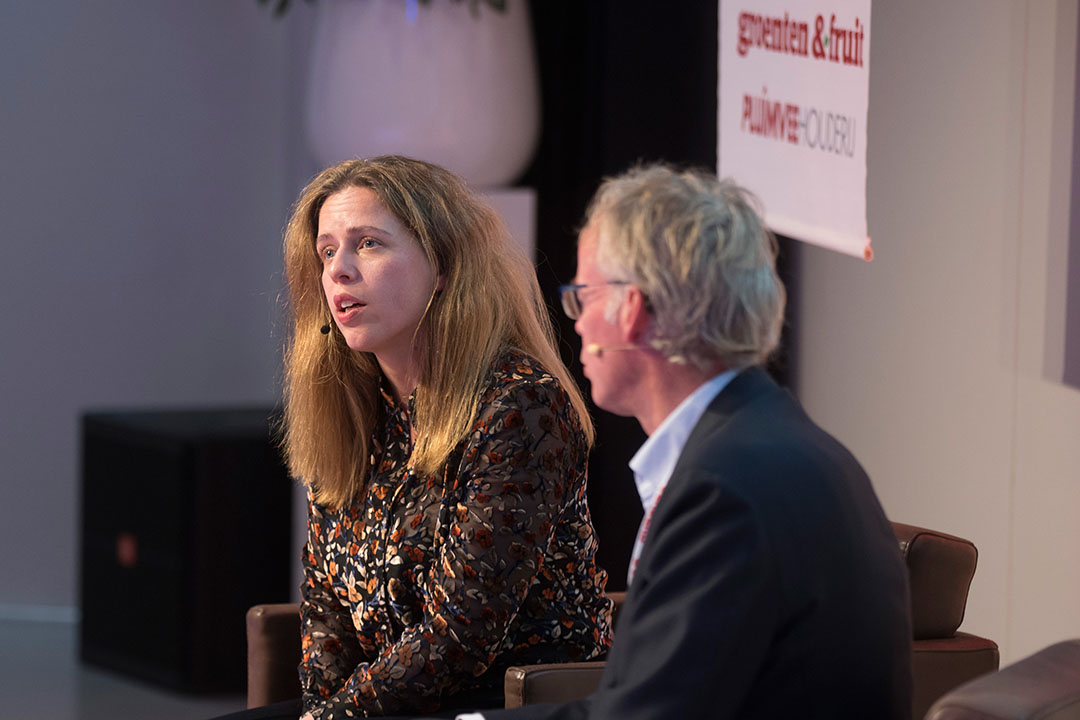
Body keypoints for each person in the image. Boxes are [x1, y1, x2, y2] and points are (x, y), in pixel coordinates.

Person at [471, 165, 913, 719]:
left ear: (630, 309)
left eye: (582, 297)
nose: (577, 324)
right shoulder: (771, 443)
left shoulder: (725, 490)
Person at [223, 156, 614, 720]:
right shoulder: (352, 404)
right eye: (327, 250)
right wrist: (321, 708)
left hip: (499, 707)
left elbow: (461, 634)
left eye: (369, 244)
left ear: (443, 266)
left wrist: (335, 718)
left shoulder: (518, 403)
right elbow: (327, 605)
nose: (339, 271)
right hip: (378, 706)